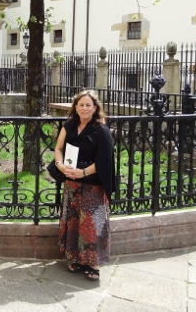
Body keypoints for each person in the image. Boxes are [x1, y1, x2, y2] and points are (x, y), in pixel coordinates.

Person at [53, 90, 116, 281]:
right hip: (72, 183)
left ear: (95, 107)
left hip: (92, 184)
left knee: (91, 223)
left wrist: (84, 172)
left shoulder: (101, 130)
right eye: (81, 105)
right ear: (76, 107)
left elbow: (105, 159)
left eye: (88, 105)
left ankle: (93, 263)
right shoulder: (69, 126)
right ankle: (77, 258)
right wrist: (60, 166)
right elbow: (58, 148)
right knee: (73, 222)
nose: (84, 108)